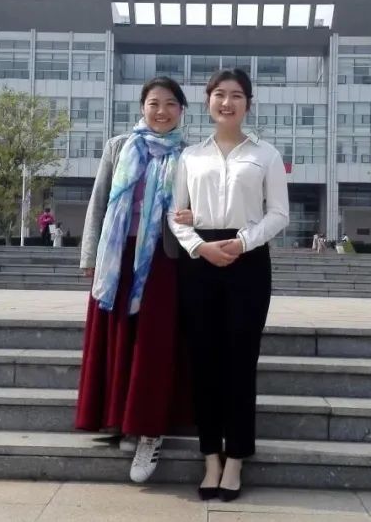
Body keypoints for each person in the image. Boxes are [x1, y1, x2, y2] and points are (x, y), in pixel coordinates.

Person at [169, 69, 289, 503]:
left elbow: (279, 213)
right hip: (199, 263)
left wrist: (241, 242)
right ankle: (211, 459)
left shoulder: (266, 155)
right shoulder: (190, 156)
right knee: (203, 361)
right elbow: (176, 213)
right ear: (207, 102)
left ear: (248, 104)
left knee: (240, 361)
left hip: (248, 263)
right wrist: (200, 247)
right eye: (219, 94)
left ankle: (236, 457)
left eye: (236, 95)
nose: (227, 102)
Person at [75, 76, 195, 484]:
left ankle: (148, 431)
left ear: (182, 110)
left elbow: (200, 209)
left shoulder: (191, 155)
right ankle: (116, 419)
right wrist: (90, 256)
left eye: (170, 104)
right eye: (154, 103)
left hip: (164, 259)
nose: (162, 111)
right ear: (142, 107)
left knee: (152, 345)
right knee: (116, 338)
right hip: (117, 257)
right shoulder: (119, 146)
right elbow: (99, 202)